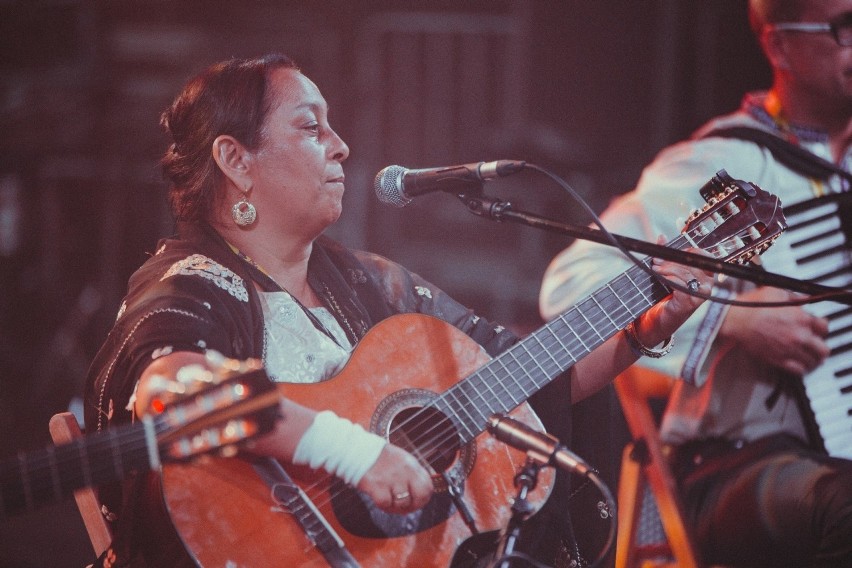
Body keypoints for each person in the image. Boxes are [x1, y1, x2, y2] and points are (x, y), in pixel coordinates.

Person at [82, 53, 710, 567]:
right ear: (234, 160)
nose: (342, 145)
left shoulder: (369, 283)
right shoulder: (190, 284)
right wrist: (352, 453)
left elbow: (525, 376)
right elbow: (175, 392)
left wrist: (645, 323)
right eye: (310, 127)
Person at [540, 1, 852, 567]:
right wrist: (733, 318)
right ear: (779, 45)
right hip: (740, 463)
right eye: (847, 25)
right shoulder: (723, 162)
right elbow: (572, 280)